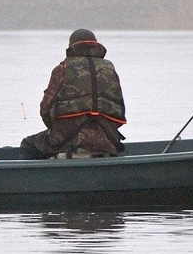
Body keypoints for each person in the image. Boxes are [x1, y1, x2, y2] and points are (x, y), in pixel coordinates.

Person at [21, 29, 126, 160]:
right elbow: (120, 109)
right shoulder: (109, 68)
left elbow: (45, 109)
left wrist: (55, 129)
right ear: (96, 45)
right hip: (107, 139)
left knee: (28, 145)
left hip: (67, 139)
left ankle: (38, 178)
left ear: (71, 47)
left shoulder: (62, 69)